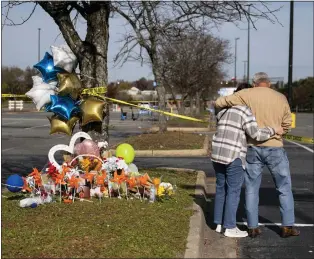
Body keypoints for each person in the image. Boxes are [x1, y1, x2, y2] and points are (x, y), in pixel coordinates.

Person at [214, 72, 300, 238]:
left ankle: (252, 226)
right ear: (269, 83)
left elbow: (219, 102)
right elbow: (287, 123)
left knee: (252, 188)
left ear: (254, 84)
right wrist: (278, 132)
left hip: (252, 147)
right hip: (275, 146)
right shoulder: (280, 97)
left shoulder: (246, 94)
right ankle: (287, 226)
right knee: (284, 188)